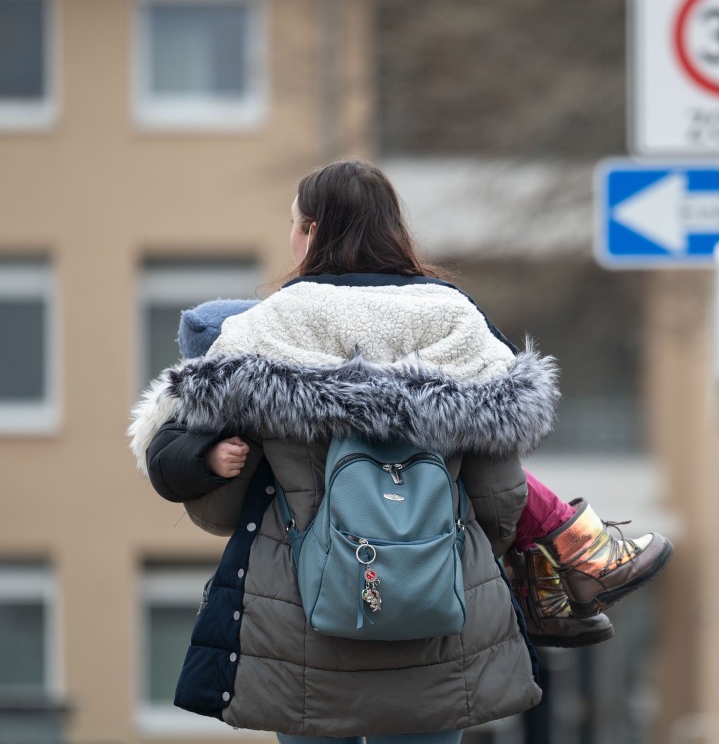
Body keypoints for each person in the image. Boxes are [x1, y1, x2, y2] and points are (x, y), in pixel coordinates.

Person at [127, 158, 664, 741]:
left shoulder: (265, 329)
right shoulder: (453, 320)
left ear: (311, 232)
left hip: (303, 629)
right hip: (434, 628)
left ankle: (579, 549)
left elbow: (191, 481)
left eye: (293, 224)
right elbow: (500, 495)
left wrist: (210, 463)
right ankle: (578, 550)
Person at [163, 297, 671, 648]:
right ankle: (561, 569)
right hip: (340, 591)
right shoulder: (245, 368)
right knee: (454, 452)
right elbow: (166, 454)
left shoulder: (264, 367)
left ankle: (558, 573)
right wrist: (206, 458)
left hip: (292, 607)